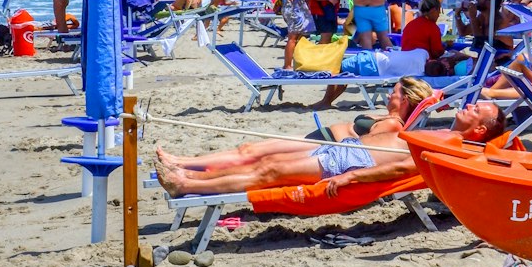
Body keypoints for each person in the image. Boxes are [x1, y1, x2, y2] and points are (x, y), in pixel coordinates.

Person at [155, 81, 507, 199]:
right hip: (351, 151)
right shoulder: (445, 131)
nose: (471, 105)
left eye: (478, 110)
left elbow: (404, 164)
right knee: (266, 165)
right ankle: (189, 178)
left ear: (478, 129)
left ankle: (187, 184)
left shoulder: (454, 144)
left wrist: (351, 176)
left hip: (355, 163)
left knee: (269, 172)